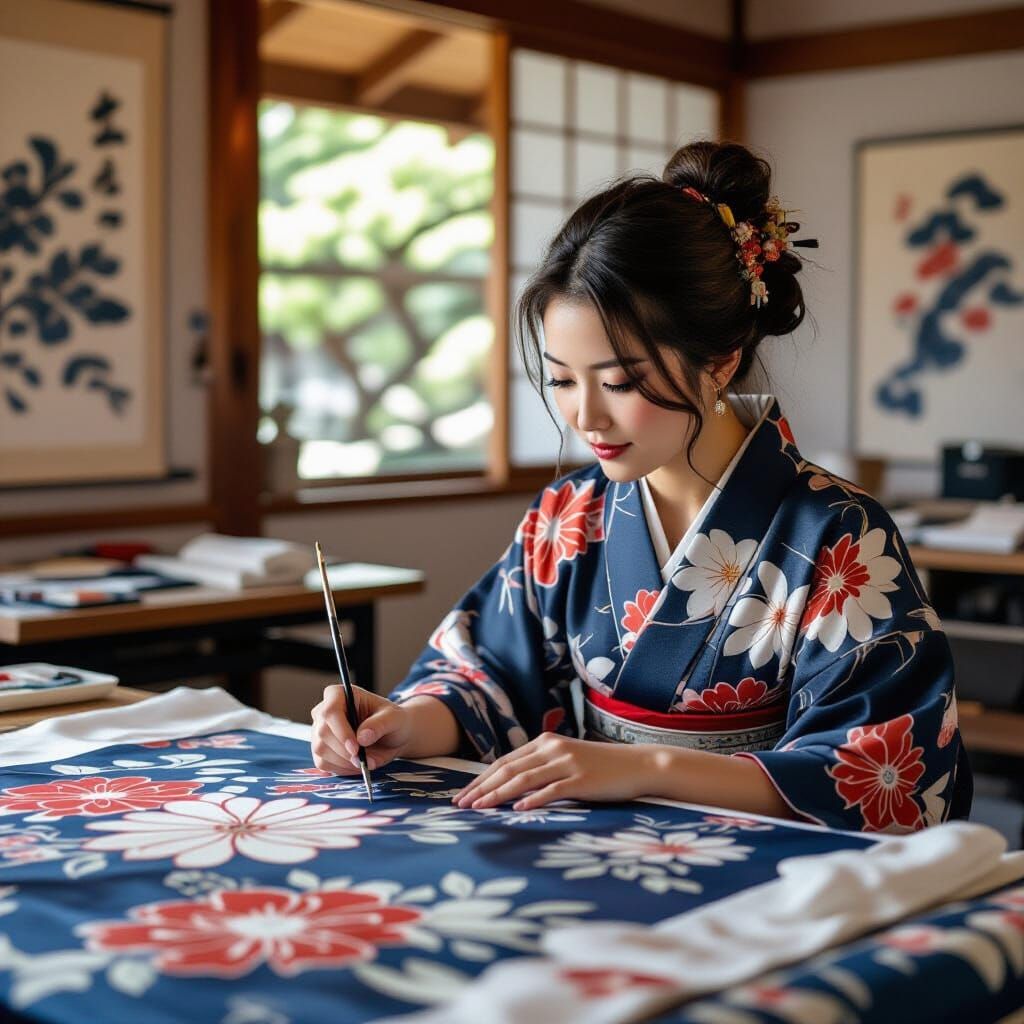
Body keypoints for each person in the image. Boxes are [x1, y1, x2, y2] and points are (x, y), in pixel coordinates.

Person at [310, 140, 972, 834]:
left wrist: (644, 768)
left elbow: (880, 767)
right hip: (594, 845)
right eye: (563, 380)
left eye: (619, 382)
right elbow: (488, 676)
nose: (585, 417)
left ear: (720, 360)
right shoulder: (566, 517)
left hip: (767, 870)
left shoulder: (838, 534)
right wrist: (402, 726)